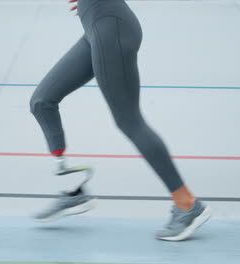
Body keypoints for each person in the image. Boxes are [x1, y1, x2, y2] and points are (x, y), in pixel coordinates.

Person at [30, 0, 210, 241]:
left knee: (129, 121)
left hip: (111, 27)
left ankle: (187, 205)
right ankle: (74, 187)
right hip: (95, 27)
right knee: (42, 102)